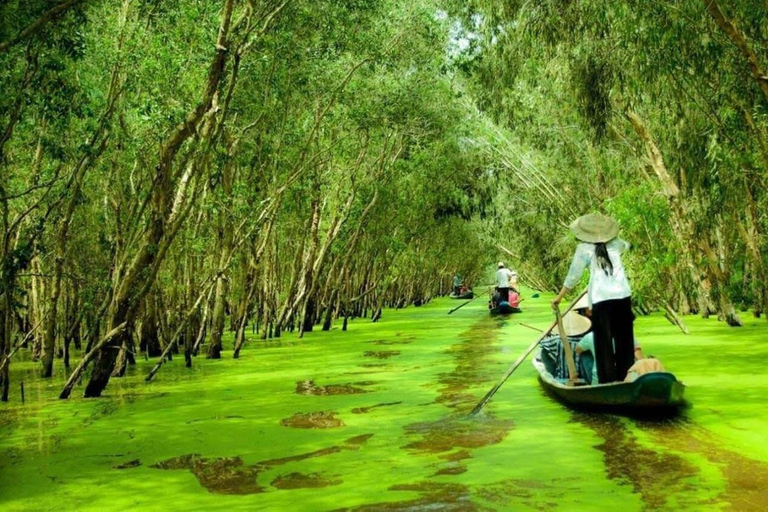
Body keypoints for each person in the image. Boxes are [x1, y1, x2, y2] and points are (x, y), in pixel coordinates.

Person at [551, 213, 634, 383]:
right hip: (623, 296)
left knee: (603, 345)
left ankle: (608, 383)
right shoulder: (616, 244)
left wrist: (559, 297)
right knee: (625, 342)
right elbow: (629, 246)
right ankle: (627, 379)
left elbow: (573, 275)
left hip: (601, 299)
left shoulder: (584, 248)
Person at [575, 332, 644, 385]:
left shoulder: (591, 335)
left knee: (584, 354)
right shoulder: (628, 335)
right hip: (628, 380)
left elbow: (577, 350)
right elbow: (640, 359)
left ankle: (586, 381)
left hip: (598, 380)